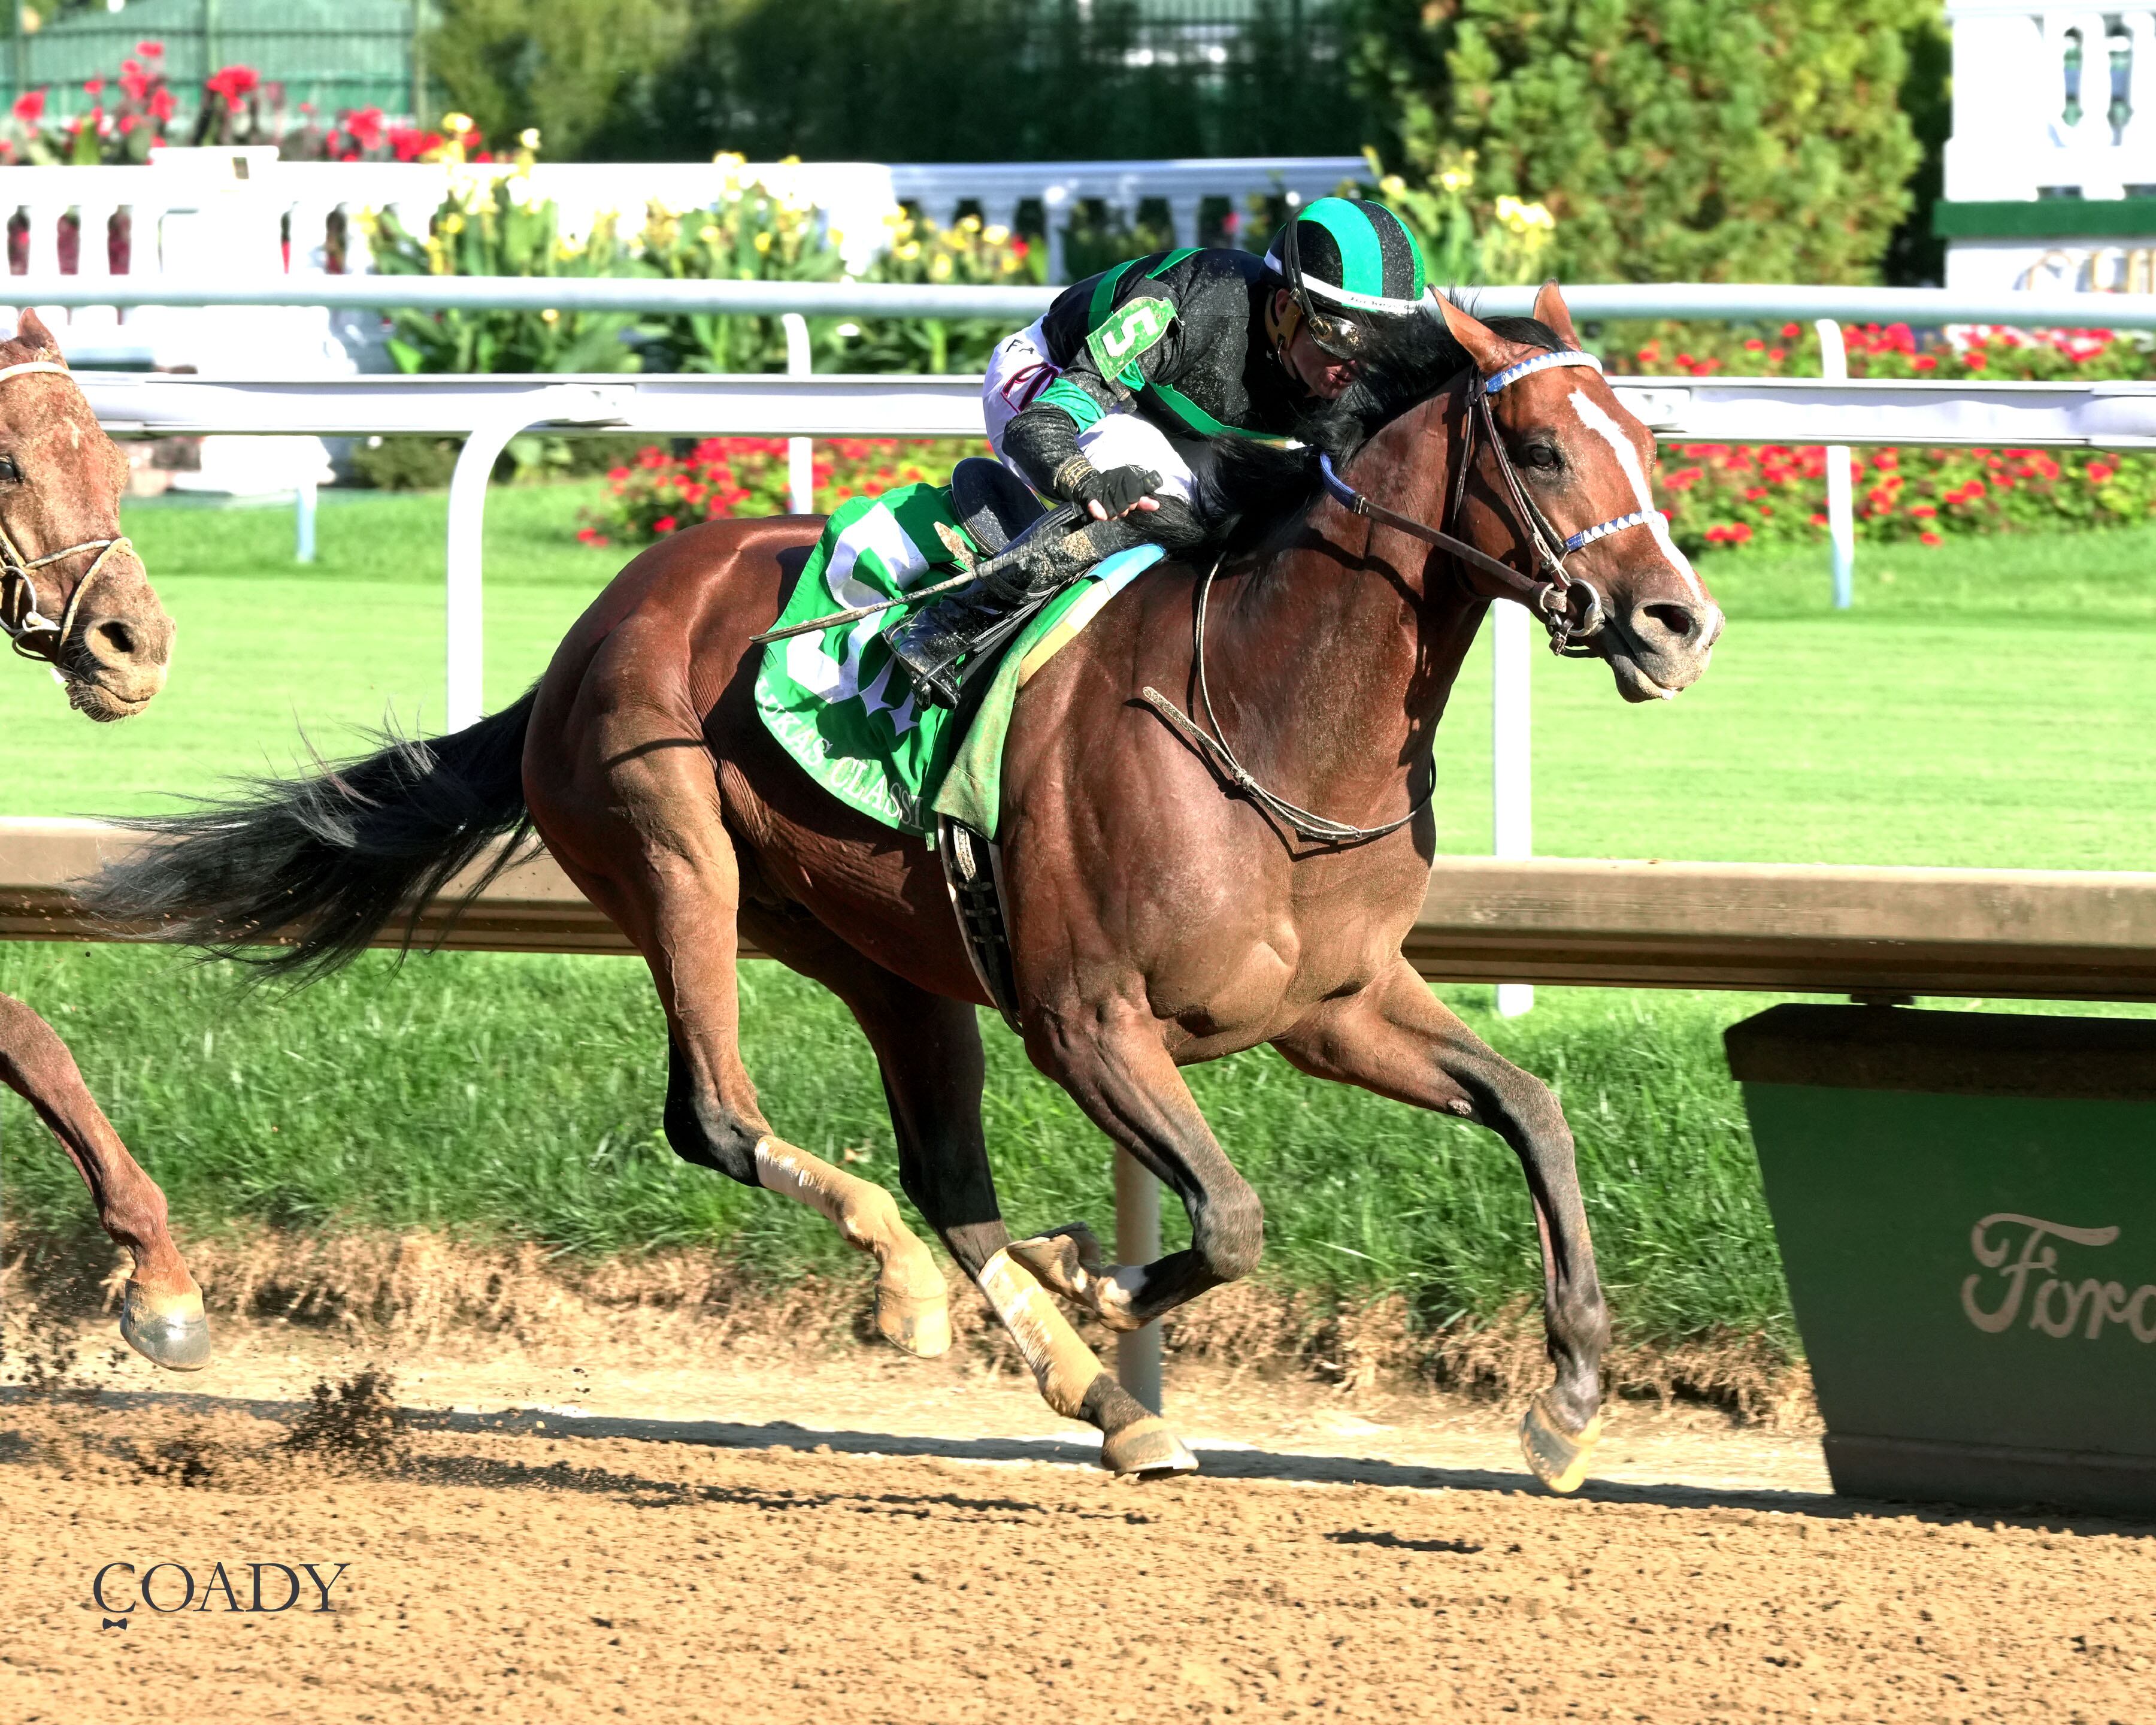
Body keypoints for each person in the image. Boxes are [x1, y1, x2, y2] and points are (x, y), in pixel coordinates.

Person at [887, 195, 1432, 707]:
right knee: (1148, 500)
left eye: (1383, 344)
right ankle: (949, 623)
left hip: (1179, 423)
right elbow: (1041, 425)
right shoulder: (1184, 306)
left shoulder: (1342, 371)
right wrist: (1084, 479)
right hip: (1052, 380)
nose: (1359, 368)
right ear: (1287, 307)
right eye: (1343, 337)